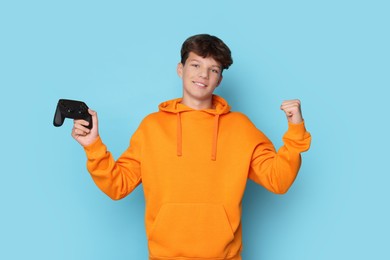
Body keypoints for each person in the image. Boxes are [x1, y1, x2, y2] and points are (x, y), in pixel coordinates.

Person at [71, 34, 311, 260]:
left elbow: (279, 180)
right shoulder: (152, 127)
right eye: (196, 65)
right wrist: (93, 146)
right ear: (180, 69)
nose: (203, 75)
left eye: (213, 69)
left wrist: (295, 128)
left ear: (219, 79)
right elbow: (117, 185)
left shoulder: (241, 128)